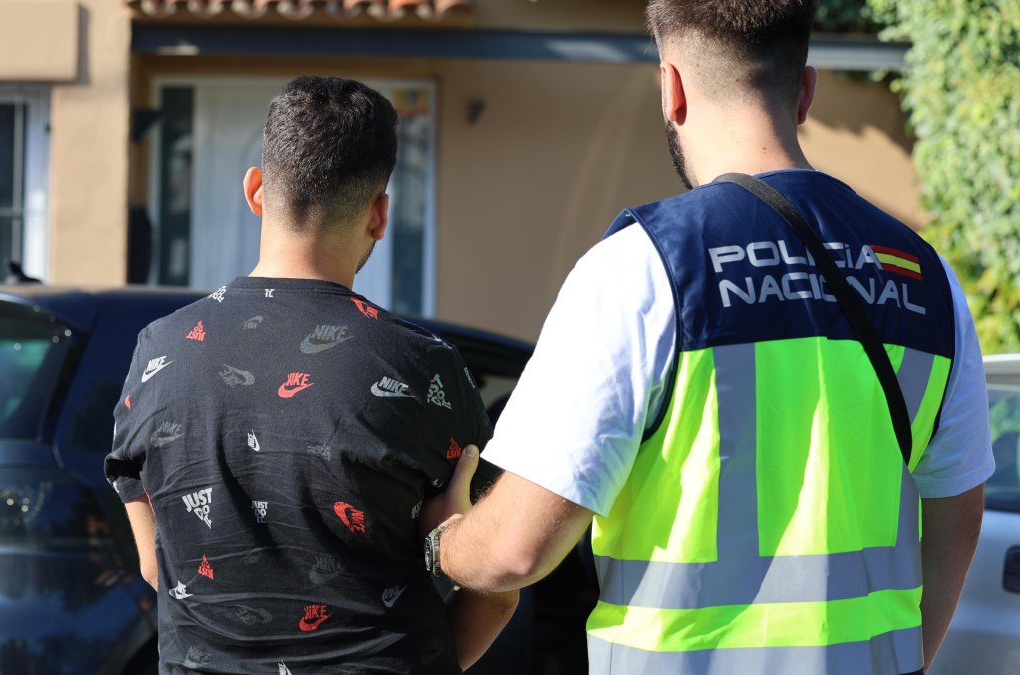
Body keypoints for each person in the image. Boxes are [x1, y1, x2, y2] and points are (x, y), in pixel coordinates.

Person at [420, 2, 994, 674]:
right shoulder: (926, 279)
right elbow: (957, 521)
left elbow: (517, 550)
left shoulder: (644, 268)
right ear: (803, 89)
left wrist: (443, 537)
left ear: (673, 88)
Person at [105, 76, 516, 674]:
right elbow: (497, 587)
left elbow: (157, 566)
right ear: (379, 214)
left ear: (255, 190)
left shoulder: (157, 350)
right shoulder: (424, 365)